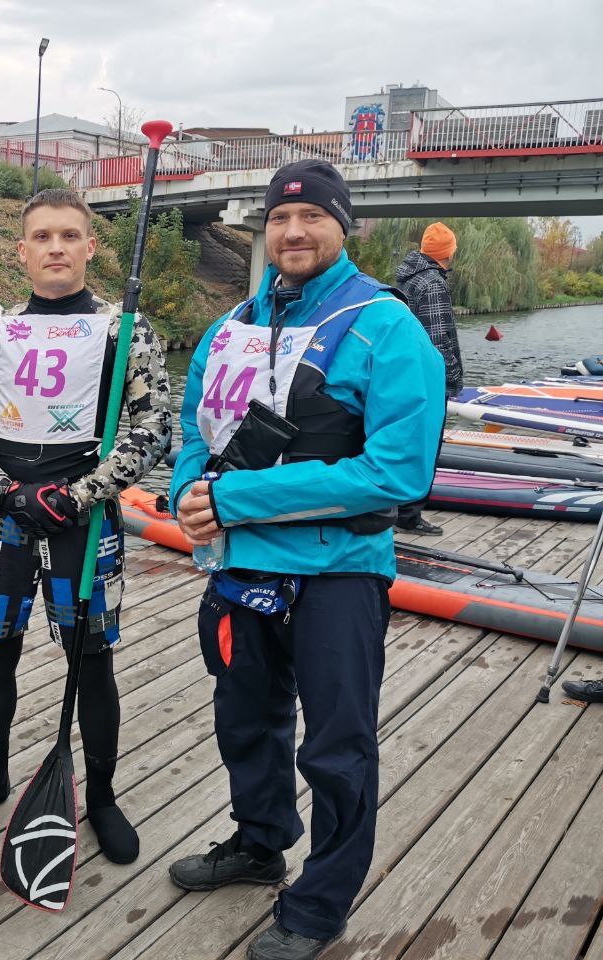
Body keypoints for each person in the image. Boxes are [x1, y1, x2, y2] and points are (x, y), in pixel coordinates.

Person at [166, 159, 444, 960]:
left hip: (338, 572)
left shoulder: (387, 327)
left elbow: (398, 472)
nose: (294, 231)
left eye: (313, 217)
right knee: (245, 720)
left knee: (336, 743)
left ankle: (321, 900)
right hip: (238, 567)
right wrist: (191, 488)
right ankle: (259, 843)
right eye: (281, 219)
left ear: (341, 225)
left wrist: (234, 500)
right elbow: (196, 428)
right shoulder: (232, 326)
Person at [0, 188, 172, 866]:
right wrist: (8, 489)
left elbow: (154, 428)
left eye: (69, 235)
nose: (56, 247)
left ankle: (103, 796)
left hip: (82, 522)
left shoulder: (126, 332)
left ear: (90, 246)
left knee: (91, 662)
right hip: (2, 516)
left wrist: (81, 493)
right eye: (42, 236)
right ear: (23, 250)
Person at [394, 220, 462, 536]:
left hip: (404, 374)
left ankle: (396, 508)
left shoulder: (406, 279)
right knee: (426, 445)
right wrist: (451, 379)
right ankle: (409, 515)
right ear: (446, 253)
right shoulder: (432, 284)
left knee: (406, 442)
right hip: (427, 379)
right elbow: (439, 338)